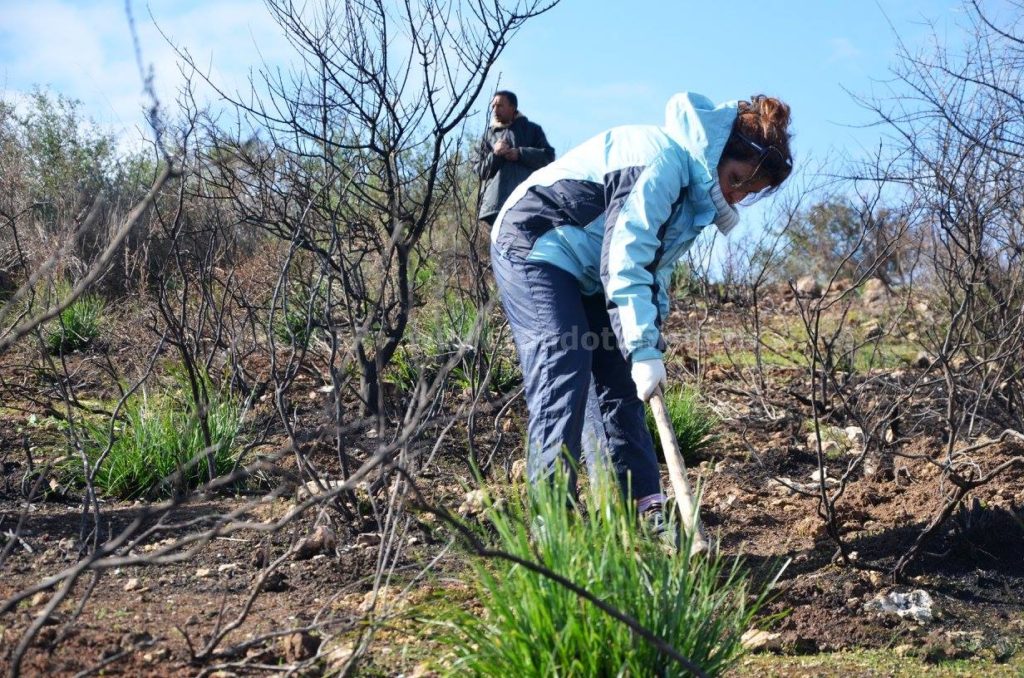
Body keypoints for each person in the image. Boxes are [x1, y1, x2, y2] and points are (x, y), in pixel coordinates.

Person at [490, 92, 793, 530]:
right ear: (722, 151)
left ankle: (644, 511)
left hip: (592, 270)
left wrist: (647, 345)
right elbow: (626, 259)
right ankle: (551, 521)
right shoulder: (660, 161)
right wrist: (643, 347)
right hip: (534, 240)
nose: (738, 194)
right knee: (565, 359)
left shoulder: (695, 198)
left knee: (619, 379)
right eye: (738, 178)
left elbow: (655, 274)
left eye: (750, 192)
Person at [474, 90, 555, 226]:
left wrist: (520, 154)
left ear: (513, 107)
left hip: (528, 202)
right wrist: (495, 154)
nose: (495, 110)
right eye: (493, 106)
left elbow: (548, 158)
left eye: (500, 106)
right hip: (495, 207)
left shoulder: (532, 130)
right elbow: (479, 170)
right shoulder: (486, 137)